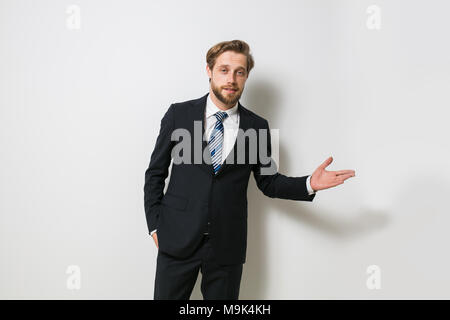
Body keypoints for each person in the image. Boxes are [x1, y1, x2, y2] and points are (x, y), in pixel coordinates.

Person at [144, 40, 355, 300]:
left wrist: (309, 183)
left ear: (246, 76)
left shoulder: (257, 126)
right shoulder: (178, 115)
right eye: (224, 70)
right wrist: (155, 226)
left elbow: (269, 182)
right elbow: (155, 174)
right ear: (209, 71)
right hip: (176, 239)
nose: (231, 78)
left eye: (239, 72)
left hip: (226, 246)